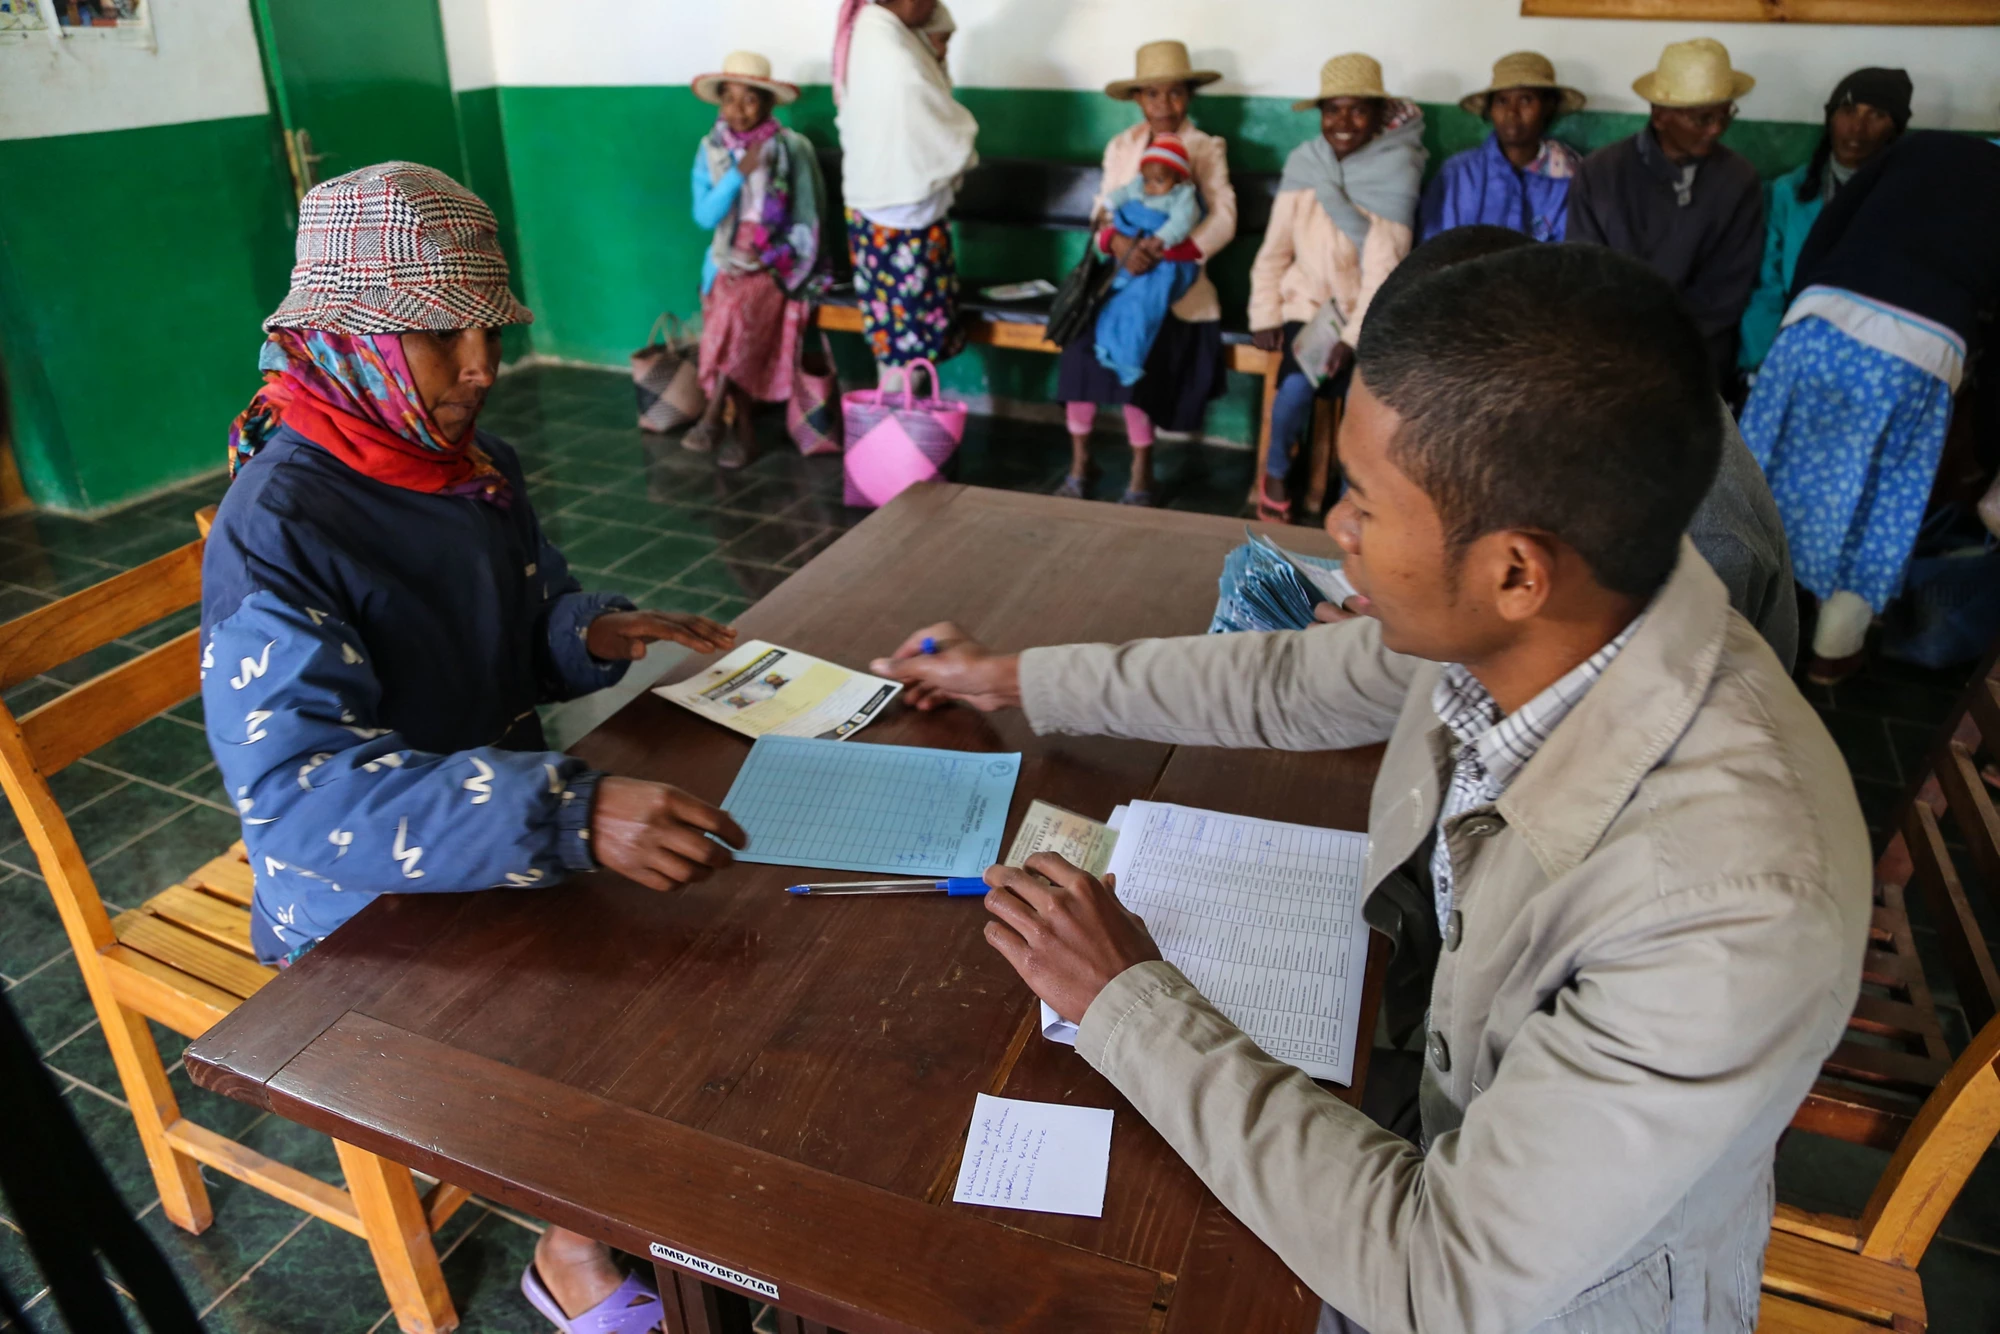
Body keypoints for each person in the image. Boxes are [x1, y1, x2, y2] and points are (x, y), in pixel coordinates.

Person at [870, 244, 1869, 1333]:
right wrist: (1009, 678)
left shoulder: (1726, 902)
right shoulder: (1575, 608)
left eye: (1361, 502)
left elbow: (1439, 1277)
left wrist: (1124, 999)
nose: (1335, 534)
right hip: (1435, 1100)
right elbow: (1285, 678)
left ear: (1512, 567)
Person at [203, 162, 750, 1331]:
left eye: (488, 329)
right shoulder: (279, 527)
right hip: (353, 901)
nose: (482, 366)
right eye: (440, 334)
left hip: (487, 828)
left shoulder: (468, 468)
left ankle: (627, 1217)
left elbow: (512, 634)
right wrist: (563, 813)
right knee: (610, 1006)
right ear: (345, 337)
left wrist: (584, 629)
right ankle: (572, 1251)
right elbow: (299, 800)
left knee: (701, 963)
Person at [1264, 223, 1799, 671]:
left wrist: (1416, 661)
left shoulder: (1705, 546)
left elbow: (1606, 722)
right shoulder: (1576, 408)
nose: (1339, 523)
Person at [1741, 131, 2000, 683]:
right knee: (1877, 503)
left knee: (1765, 477)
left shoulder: (1924, 147)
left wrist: (1801, 310)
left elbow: (1829, 230)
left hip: (1820, 318)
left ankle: (1737, 623)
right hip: (1921, 352)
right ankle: (1834, 651)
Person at [1055, 40, 1238, 507]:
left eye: (1175, 94)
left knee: (1143, 342)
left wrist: (1169, 252)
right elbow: (1102, 210)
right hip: (1115, 272)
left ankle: (1141, 471)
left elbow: (1223, 218)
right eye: (1152, 95)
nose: (1164, 105)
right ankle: (1080, 461)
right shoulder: (1122, 147)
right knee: (1080, 346)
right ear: (1138, 99)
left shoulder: (1205, 147)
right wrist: (1116, 243)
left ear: (1189, 97)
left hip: (1172, 278)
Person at [1250, 53, 1425, 522]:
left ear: (1379, 115)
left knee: (1359, 402)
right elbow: (1274, 251)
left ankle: (1353, 494)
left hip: (1367, 312)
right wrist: (1265, 313)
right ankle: (1275, 472)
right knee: (1295, 388)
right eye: (1333, 110)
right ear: (1320, 115)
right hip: (1307, 305)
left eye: (1357, 110)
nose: (1343, 122)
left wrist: (1349, 341)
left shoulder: (1396, 169)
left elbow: (1383, 272)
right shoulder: (1305, 163)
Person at [1569, 39, 1763, 382]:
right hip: (1610, 347)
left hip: (1696, 350)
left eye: (1725, 114)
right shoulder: (1600, 173)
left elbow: (1728, 285)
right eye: (1703, 118)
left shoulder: (1739, 180)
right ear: (1660, 115)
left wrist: (1668, 343)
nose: (1717, 129)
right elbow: (1584, 271)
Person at [685, 51, 825, 468]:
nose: (738, 111)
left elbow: (808, 218)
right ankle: (743, 433)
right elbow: (704, 216)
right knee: (733, 317)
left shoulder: (791, 148)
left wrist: (776, 258)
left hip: (776, 265)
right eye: (729, 100)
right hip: (725, 260)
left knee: (734, 313)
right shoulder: (710, 149)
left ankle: (715, 419)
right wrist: (737, 173)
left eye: (750, 100)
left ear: (768, 103)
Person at [832, 0, 978, 391]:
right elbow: (926, 112)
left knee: (905, 338)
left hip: (883, 210)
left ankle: (911, 431)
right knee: (907, 341)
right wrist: (964, 140)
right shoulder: (889, 49)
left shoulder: (876, 29)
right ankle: (901, 435)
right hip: (897, 217)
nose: (931, 5)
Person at [1737, 68, 1910, 376]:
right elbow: (1768, 285)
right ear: (1830, 118)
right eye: (1847, 111)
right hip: (1793, 340)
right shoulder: (1789, 193)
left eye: (1876, 115)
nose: (1857, 128)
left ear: (1895, 129)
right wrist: (1763, 362)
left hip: (1873, 351)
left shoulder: (1904, 197)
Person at [1418, 52, 1584, 243]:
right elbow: (1432, 249)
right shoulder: (1457, 174)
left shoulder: (1569, 178)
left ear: (1548, 107)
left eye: (1525, 100)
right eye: (1502, 101)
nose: (1511, 113)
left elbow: (1571, 255)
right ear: (1490, 109)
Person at [1092, 135, 1207, 387]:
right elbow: (1118, 196)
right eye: (1147, 180)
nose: (1150, 187)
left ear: (1178, 178)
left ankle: (1127, 359)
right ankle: (1107, 344)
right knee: (1105, 306)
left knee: (1142, 309)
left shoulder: (1184, 194)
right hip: (1127, 250)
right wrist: (1108, 214)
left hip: (1167, 261)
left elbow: (1183, 221)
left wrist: (1160, 242)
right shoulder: (1128, 158)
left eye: (1159, 181)